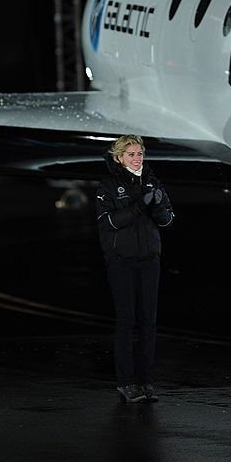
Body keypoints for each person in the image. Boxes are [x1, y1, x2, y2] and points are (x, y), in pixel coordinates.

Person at [95, 135, 175, 403]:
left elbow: (167, 221)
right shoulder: (108, 185)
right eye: (131, 154)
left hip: (149, 259)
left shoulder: (152, 181)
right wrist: (141, 204)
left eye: (140, 153)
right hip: (121, 261)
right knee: (127, 321)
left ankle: (146, 381)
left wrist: (159, 205)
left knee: (149, 322)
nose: (137, 158)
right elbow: (109, 223)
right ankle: (126, 382)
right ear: (119, 157)